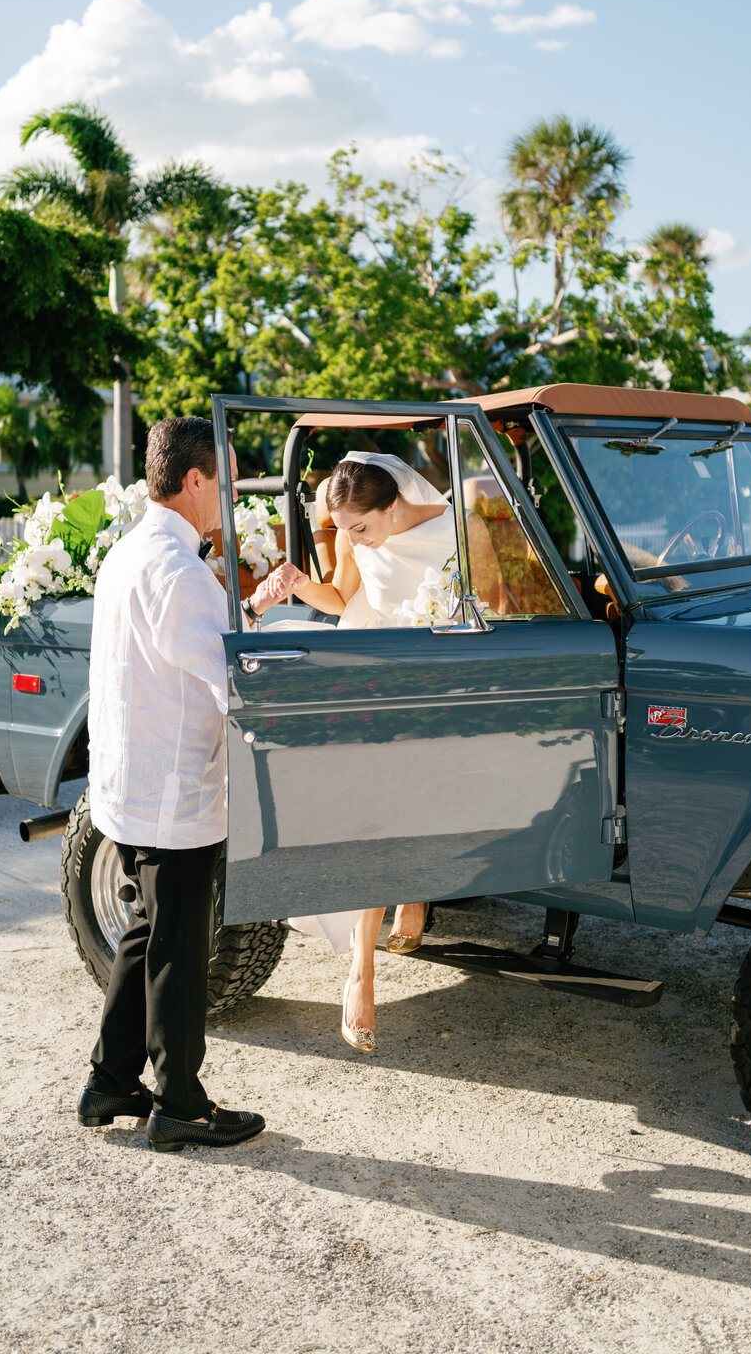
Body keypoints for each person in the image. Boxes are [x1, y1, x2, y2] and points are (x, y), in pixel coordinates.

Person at [77, 415, 305, 1152]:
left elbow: (188, 643)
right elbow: (231, 681)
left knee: (147, 932)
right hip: (175, 790)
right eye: (229, 478)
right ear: (198, 479)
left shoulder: (131, 555)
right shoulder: (178, 572)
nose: (233, 494)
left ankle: (110, 1080)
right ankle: (181, 1103)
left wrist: (251, 608)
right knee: (177, 945)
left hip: (132, 783)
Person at [287, 451, 476, 1055]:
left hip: (438, 675)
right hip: (373, 671)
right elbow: (342, 599)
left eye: (360, 528)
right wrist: (299, 585)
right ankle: (360, 973)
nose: (350, 538)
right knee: (371, 813)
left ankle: (414, 891)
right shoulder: (353, 530)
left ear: (392, 506)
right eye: (341, 528)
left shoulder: (458, 524)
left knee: (422, 794)